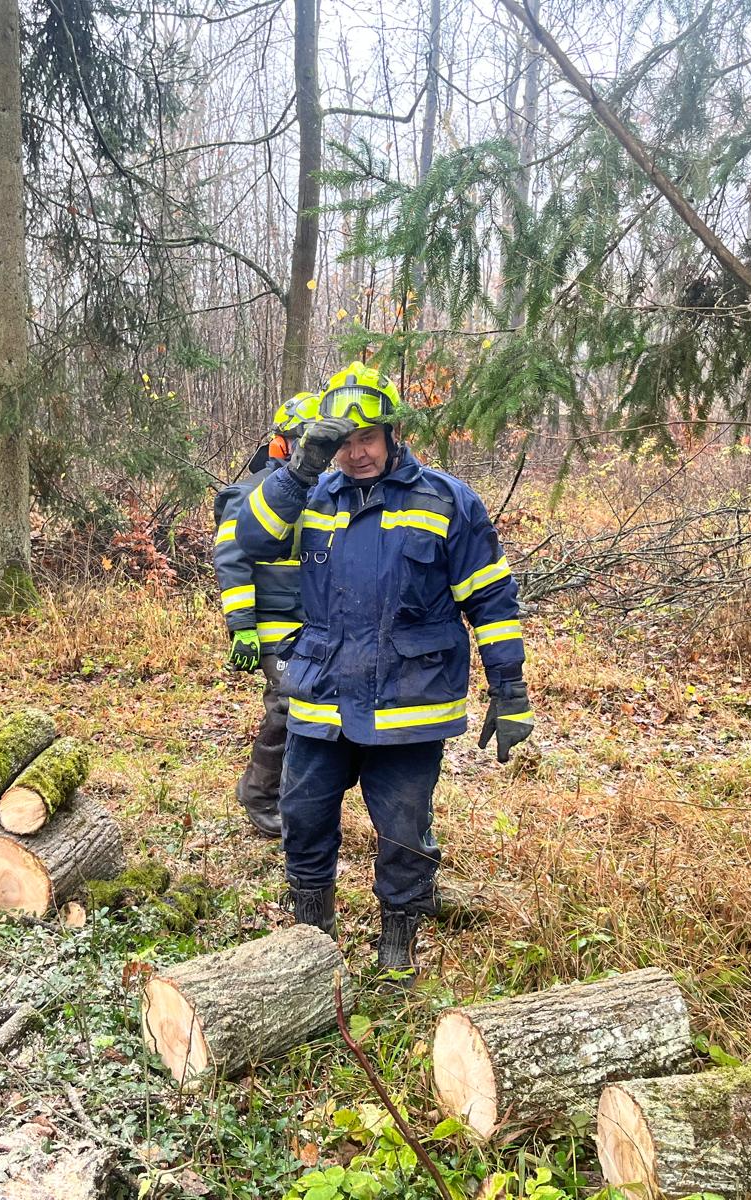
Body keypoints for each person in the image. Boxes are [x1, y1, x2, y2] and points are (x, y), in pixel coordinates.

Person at [234, 362, 533, 981]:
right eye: (343, 442)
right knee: (303, 820)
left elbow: (491, 600)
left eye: (367, 438)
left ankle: (398, 946)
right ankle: (313, 945)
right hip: (322, 695)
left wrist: (509, 688)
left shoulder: (446, 501)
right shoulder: (311, 495)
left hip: (409, 701)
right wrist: (298, 470)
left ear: (393, 434)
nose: (356, 454)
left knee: (402, 831)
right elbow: (252, 540)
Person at [211, 392, 320, 837]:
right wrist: (242, 627)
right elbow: (231, 559)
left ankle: (299, 794)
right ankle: (259, 792)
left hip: (316, 620)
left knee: (317, 709)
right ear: (282, 442)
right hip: (273, 620)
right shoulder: (250, 494)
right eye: (302, 438)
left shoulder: (329, 493)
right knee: (287, 702)